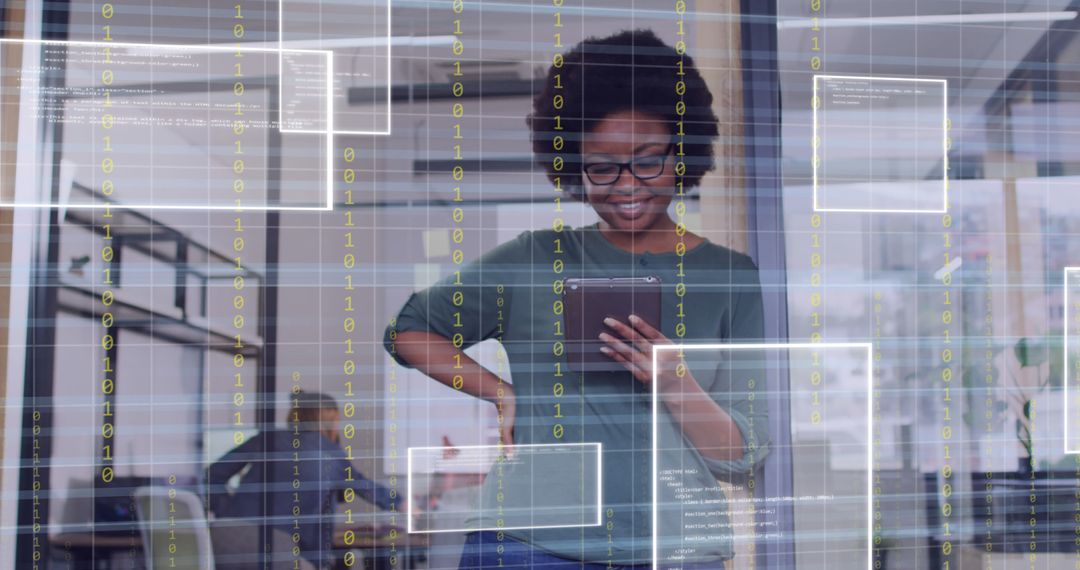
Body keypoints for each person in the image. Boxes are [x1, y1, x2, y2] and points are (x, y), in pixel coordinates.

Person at [384, 29, 769, 569]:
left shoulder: (730, 277)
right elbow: (409, 330)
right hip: (529, 542)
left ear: (682, 153)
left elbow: (742, 455)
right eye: (601, 167)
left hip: (674, 548)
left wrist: (674, 380)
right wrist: (501, 393)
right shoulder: (533, 260)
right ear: (572, 166)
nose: (626, 185)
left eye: (647, 160)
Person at [206, 390, 402, 569]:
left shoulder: (266, 439)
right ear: (327, 420)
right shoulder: (329, 452)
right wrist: (403, 503)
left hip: (226, 539)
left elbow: (210, 477)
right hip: (279, 551)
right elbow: (365, 487)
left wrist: (229, 512)